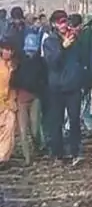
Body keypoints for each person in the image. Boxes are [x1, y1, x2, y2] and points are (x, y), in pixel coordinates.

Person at [42, 10, 84, 165]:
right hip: (56, 88)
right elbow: (52, 63)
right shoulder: (49, 41)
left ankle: (76, 152)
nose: (64, 25)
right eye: (60, 22)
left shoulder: (75, 39)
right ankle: (58, 153)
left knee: (74, 121)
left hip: (73, 86)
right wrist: (63, 47)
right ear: (53, 24)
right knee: (57, 122)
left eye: (65, 21)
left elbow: (80, 59)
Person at [10, 14, 47, 164]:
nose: (30, 53)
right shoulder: (19, 63)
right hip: (21, 99)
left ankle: (39, 146)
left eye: (32, 50)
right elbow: (12, 82)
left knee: (35, 128)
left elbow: (44, 80)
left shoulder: (40, 62)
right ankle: (27, 159)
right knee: (24, 131)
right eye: (28, 50)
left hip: (35, 98)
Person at [0, 40, 17, 165]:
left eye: (10, 50)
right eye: (5, 49)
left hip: (10, 102)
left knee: (9, 129)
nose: (8, 52)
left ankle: (3, 157)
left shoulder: (14, 65)